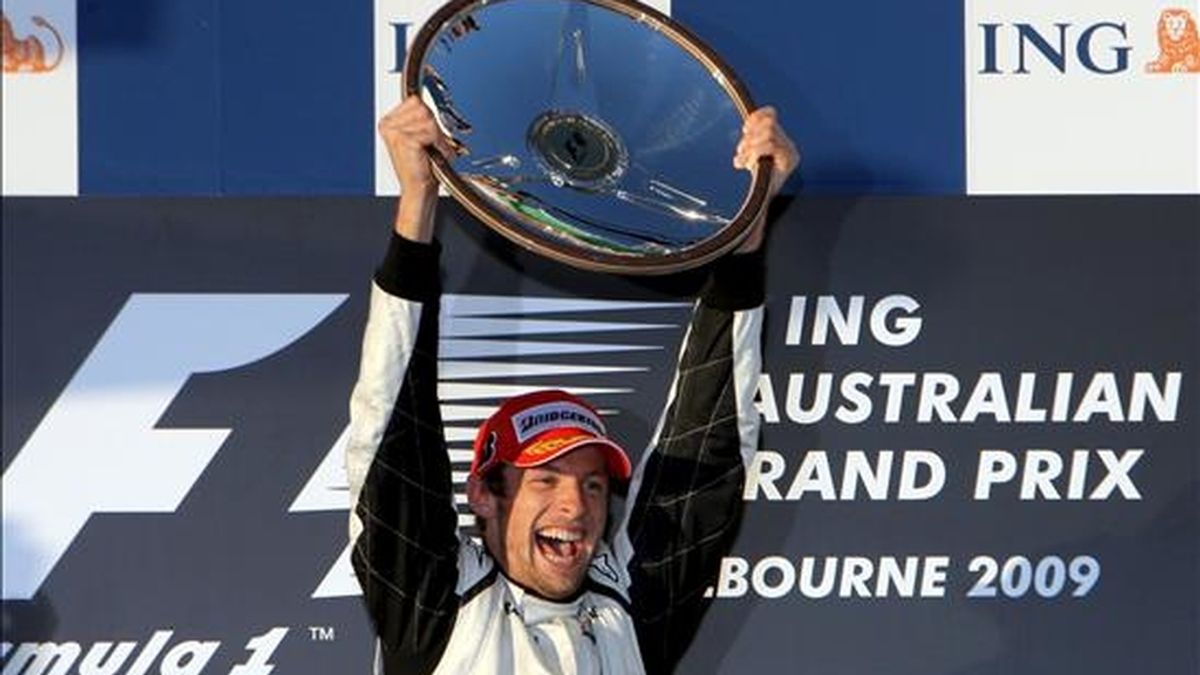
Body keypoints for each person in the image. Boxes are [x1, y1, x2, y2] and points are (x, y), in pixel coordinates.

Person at [346, 95, 798, 675]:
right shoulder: (438, 602)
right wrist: (417, 203)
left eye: (591, 486)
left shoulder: (626, 611)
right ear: (484, 496)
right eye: (546, 479)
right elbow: (392, 430)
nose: (575, 505)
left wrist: (750, 219)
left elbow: (707, 447)